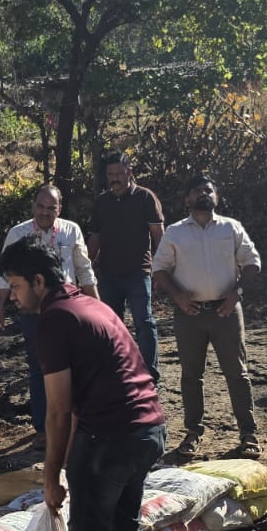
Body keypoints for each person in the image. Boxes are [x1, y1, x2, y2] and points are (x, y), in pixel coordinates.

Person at [0, 239, 166, 531]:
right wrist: (65, 464)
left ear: (39, 281)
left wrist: (50, 477)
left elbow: (57, 411)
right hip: (148, 430)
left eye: (16, 286)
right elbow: (80, 402)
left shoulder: (54, 321)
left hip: (109, 438)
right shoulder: (92, 305)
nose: (13, 296)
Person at [152, 173, 262, 460]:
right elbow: (159, 269)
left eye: (208, 190)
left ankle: (248, 434)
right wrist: (177, 296)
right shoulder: (175, 232)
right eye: (197, 190)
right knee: (191, 375)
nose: (204, 194)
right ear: (187, 199)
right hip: (189, 313)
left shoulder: (231, 227)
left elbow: (252, 262)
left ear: (217, 197)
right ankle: (193, 433)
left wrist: (237, 293)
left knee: (237, 373)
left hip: (227, 311)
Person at [0, 185, 99, 435]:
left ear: (59, 209)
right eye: (40, 206)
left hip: (68, 310)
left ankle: (76, 427)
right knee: (39, 367)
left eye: (51, 208)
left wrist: (96, 305)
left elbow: (84, 270)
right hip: (33, 311)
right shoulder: (18, 234)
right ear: (33, 206)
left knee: (74, 365)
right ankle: (43, 429)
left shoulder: (71, 230)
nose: (45, 212)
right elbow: (4, 275)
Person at [86, 152, 164, 378]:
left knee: (144, 323)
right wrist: (85, 271)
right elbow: (94, 239)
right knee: (111, 325)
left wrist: (161, 269)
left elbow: (159, 236)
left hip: (138, 272)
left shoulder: (145, 198)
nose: (115, 178)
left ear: (129, 172)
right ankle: (117, 373)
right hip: (108, 274)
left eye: (119, 173)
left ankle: (150, 375)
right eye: (110, 174)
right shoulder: (101, 202)